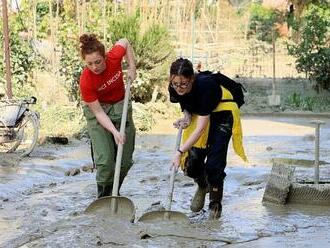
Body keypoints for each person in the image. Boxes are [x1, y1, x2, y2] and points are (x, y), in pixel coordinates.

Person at [169, 58, 247, 220]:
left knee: (214, 163)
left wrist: (179, 151)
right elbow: (187, 103)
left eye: (184, 84)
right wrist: (186, 117)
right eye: (176, 84)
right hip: (204, 111)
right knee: (191, 164)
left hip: (223, 111)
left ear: (192, 79)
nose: (179, 88)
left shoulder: (205, 87)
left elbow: (200, 129)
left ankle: (215, 207)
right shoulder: (174, 86)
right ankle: (203, 185)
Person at [79, 34, 136, 198]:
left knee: (124, 161)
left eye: (98, 62)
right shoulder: (86, 80)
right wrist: (114, 131)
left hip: (120, 106)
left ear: (104, 57)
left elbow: (124, 41)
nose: (94, 67)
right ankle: (103, 197)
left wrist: (132, 66)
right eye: (89, 63)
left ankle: (114, 192)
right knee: (105, 162)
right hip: (98, 112)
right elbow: (98, 112)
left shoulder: (113, 58)